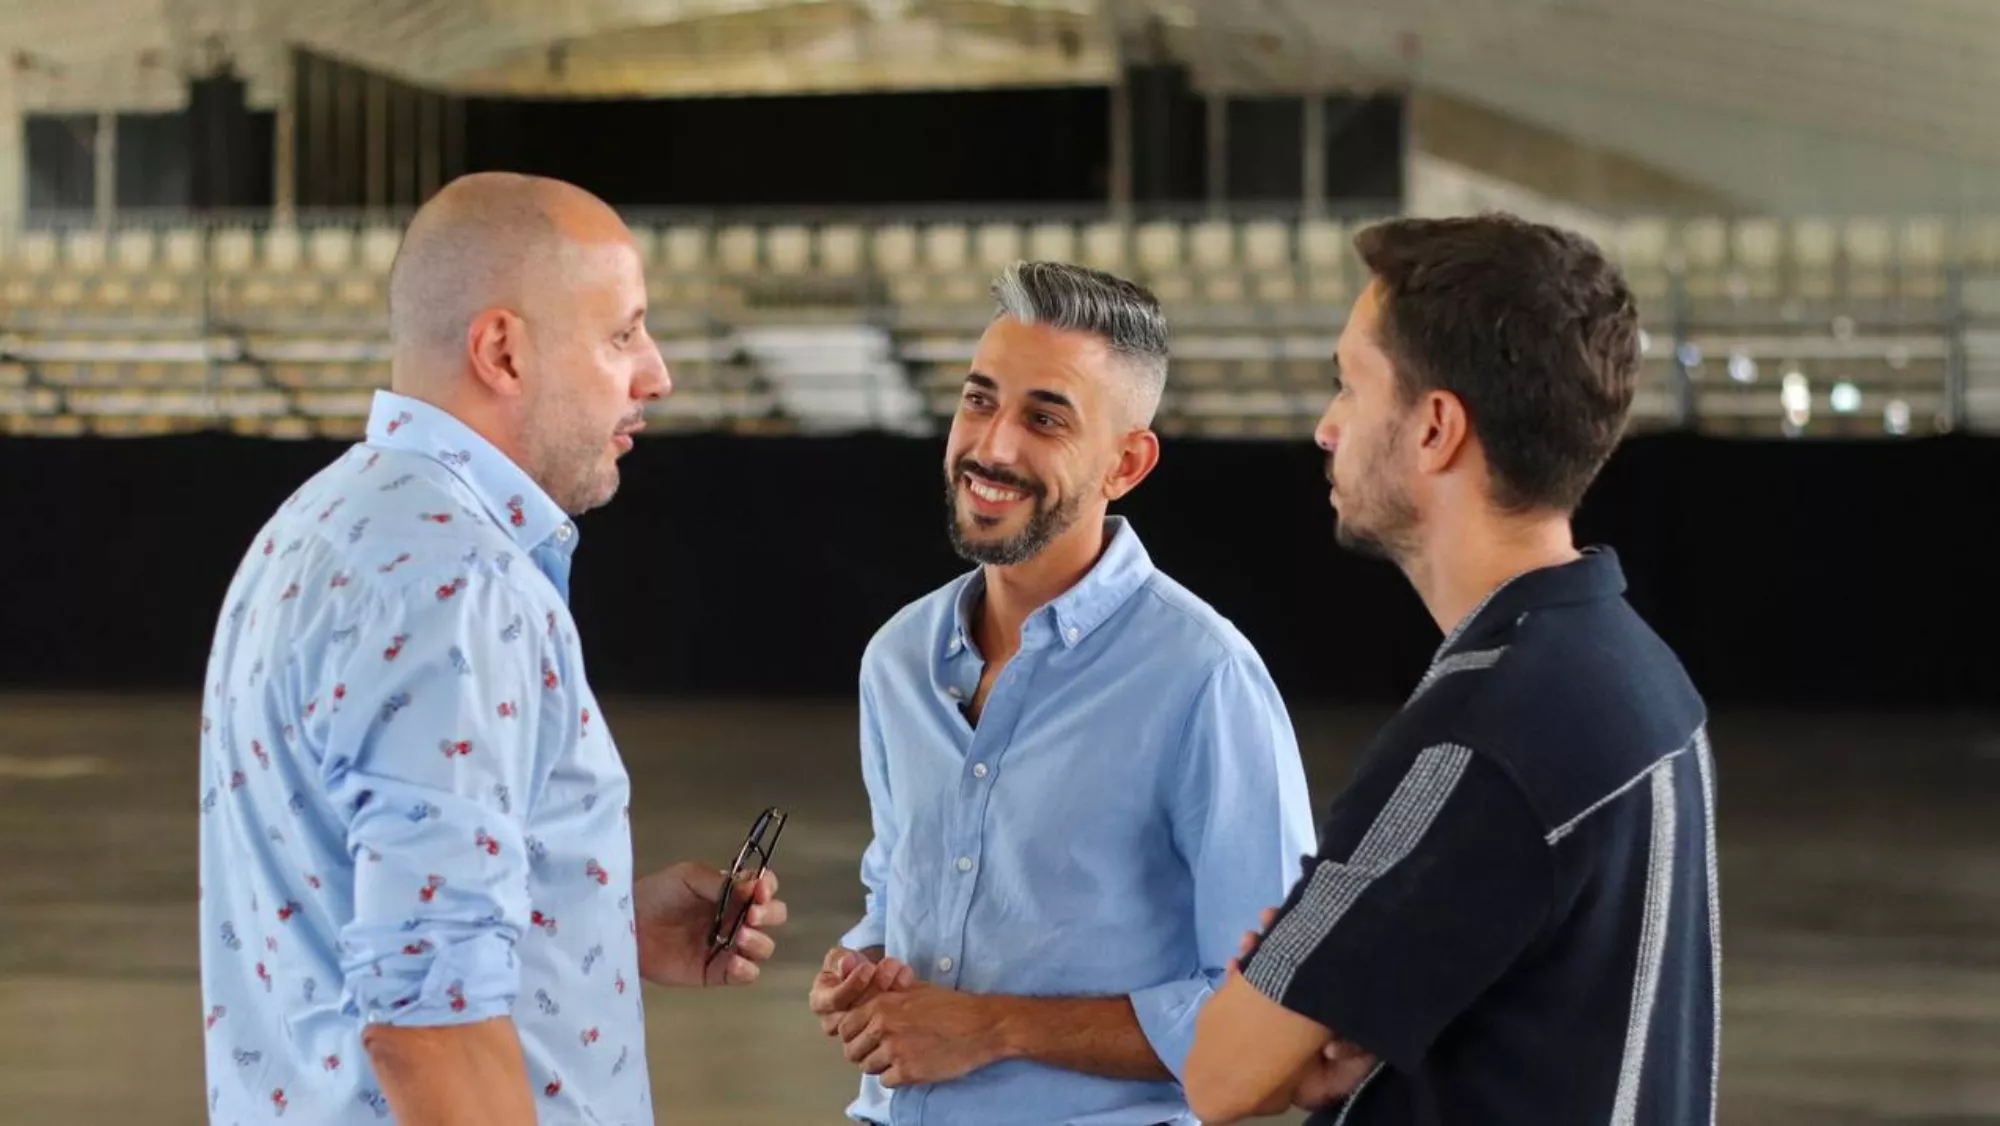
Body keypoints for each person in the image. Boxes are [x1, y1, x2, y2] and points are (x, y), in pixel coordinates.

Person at [195, 172, 786, 1126]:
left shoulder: (315, 528)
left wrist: (592, 923)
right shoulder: (460, 586)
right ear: (503, 351)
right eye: (622, 334)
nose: (656, 374)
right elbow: (430, 1029)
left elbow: (355, 910)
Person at [1181, 213, 1720, 1125]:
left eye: (1350, 387)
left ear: (1434, 428)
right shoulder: (1639, 671)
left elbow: (1224, 1073)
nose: (1325, 427)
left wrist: (1285, 1023)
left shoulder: (1479, 739)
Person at [808, 261, 1317, 1126]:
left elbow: (1275, 1022)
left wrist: (995, 1028)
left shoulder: (1204, 679)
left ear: (1127, 461)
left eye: (1045, 418)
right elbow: (901, 892)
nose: (993, 446)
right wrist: (865, 967)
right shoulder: (897, 658)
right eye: (979, 401)